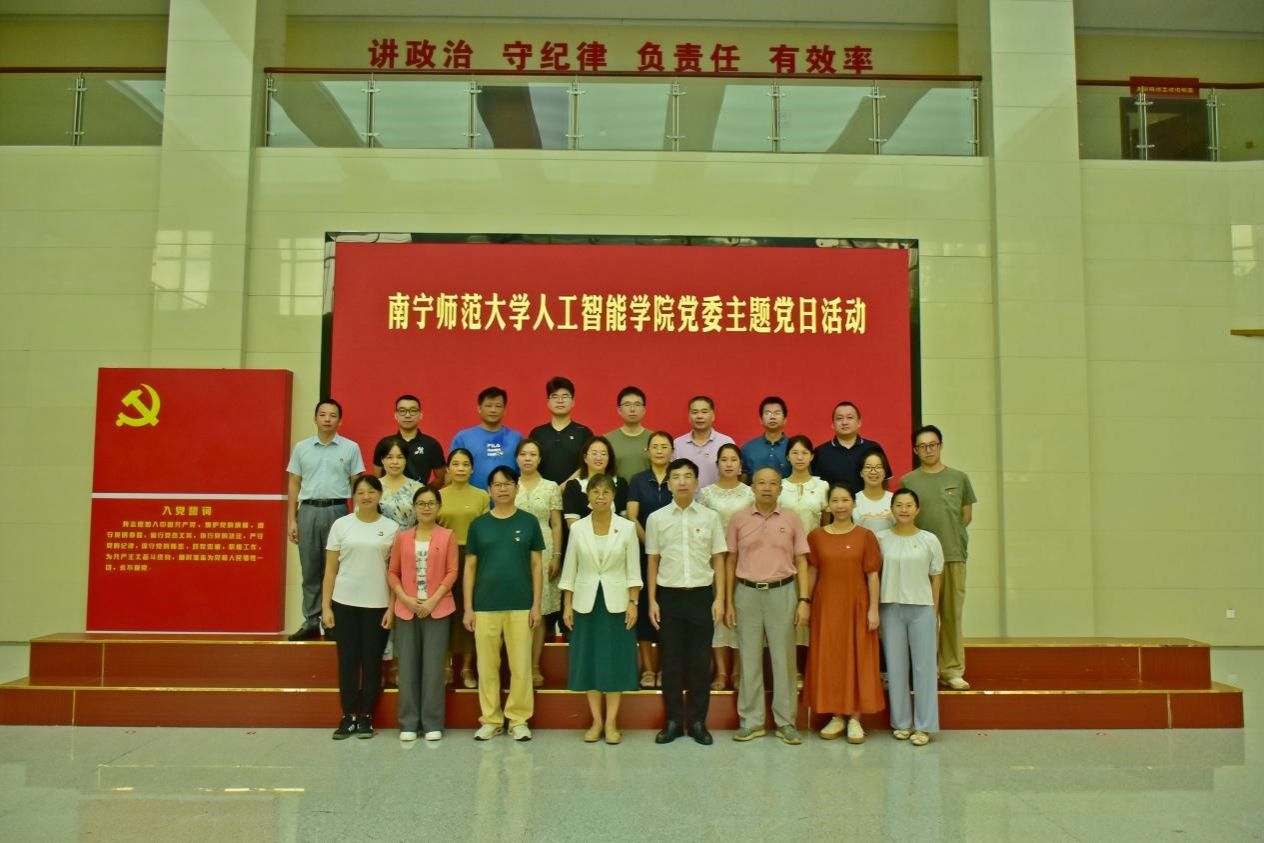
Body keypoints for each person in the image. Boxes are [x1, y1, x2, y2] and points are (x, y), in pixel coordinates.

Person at [725, 467, 810, 746]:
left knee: (783, 659)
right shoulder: (739, 519)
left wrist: (804, 600)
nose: (766, 488)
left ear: (780, 489)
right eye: (761, 483)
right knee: (749, 658)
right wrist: (728, 600)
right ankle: (751, 722)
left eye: (773, 483)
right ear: (752, 487)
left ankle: (786, 722)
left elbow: (801, 561)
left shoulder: (792, 518)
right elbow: (730, 560)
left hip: (782, 592)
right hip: (746, 593)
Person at [646, 458, 727, 746]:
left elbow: (719, 559)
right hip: (669, 596)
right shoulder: (656, 519)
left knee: (700, 662)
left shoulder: (710, 517)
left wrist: (720, 598)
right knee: (671, 661)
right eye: (676, 476)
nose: (682, 481)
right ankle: (672, 722)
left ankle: (697, 722)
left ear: (696, 482)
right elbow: (653, 561)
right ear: (668, 483)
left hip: (701, 596)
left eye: (688, 476)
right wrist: (652, 600)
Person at [559, 473, 642, 745]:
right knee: (589, 663)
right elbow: (570, 569)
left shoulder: (626, 528)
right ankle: (596, 721)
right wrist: (567, 605)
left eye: (606, 492)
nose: (601, 497)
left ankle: (611, 722)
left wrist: (633, 602)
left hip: (617, 604)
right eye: (596, 492)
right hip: (585, 603)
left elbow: (633, 570)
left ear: (614, 496)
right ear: (588, 496)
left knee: (615, 662)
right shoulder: (578, 529)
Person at [463, 466, 544, 742]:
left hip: (521, 605)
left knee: (521, 666)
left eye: (508, 483)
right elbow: (470, 567)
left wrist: (536, 605)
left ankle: (518, 720)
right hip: (485, 606)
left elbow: (536, 565)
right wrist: (468, 608)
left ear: (516, 488)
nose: (502, 488)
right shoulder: (479, 525)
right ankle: (491, 719)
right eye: (497, 485)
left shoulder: (529, 522)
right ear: (489, 490)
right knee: (487, 667)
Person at [803, 482, 884, 744]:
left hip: (857, 606)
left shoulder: (865, 536)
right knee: (831, 658)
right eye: (835, 501)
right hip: (826, 606)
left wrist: (873, 609)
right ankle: (837, 715)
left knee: (857, 658)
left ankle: (855, 718)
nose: (840, 506)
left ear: (854, 504)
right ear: (828, 505)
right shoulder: (816, 537)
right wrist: (806, 602)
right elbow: (812, 571)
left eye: (845, 500)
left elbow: (872, 575)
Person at [900, 425, 976, 691]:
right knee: (923, 617)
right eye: (922, 446)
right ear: (915, 450)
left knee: (952, 615)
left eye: (932, 445)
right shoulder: (908, 481)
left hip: (953, 555)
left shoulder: (960, 478)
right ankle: (926, 668)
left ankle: (952, 670)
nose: (928, 450)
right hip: (919, 562)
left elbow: (966, 516)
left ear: (941, 446)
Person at [322, 475, 398, 739]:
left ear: (379, 495)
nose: (366, 496)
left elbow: (395, 573)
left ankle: (366, 716)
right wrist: (326, 607)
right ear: (353, 496)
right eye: (361, 492)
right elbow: (330, 571)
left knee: (372, 661)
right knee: (348, 661)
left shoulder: (391, 528)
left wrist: (391, 608)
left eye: (371, 492)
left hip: (378, 604)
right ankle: (348, 716)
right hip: (344, 603)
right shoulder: (341, 525)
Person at [286, 398, 366, 641]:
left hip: (337, 511)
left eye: (333, 415)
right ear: (315, 418)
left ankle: (332, 620)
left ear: (340, 421)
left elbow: (357, 484)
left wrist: (357, 519)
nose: (327, 419)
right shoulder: (302, 448)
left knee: (336, 569)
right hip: (308, 510)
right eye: (322, 414)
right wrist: (292, 520)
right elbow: (294, 483)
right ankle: (311, 621)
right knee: (310, 568)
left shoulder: (350, 448)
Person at [387, 485, 457, 742]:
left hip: (438, 609)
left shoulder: (447, 536)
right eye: (421, 503)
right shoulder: (403, 537)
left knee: (433, 669)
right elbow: (393, 572)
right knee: (407, 668)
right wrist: (405, 599)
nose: (426, 508)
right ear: (414, 508)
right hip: (407, 610)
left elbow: (452, 572)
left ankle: (432, 723)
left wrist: (432, 600)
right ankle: (408, 722)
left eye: (431, 503)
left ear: (439, 508)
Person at [876, 488, 944, 747]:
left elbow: (936, 577)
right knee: (896, 667)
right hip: (890, 608)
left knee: (924, 668)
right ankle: (902, 723)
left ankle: (924, 726)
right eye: (899, 505)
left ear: (917, 509)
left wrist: (933, 611)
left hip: (922, 608)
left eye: (909, 505)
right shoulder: (880, 539)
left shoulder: (929, 540)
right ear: (891, 509)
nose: (903, 509)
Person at [696, 443, 753, 691]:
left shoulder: (750, 494)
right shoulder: (706, 494)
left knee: (741, 613)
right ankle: (720, 672)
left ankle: (738, 671)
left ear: (740, 464)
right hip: (715, 560)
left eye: (733, 460)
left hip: (746, 560)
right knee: (717, 614)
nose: (729, 464)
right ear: (717, 464)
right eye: (724, 460)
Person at [625, 430, 675, 688]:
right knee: (645, 609)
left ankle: (667, 667)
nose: (659, 450)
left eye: (664, 446)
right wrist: (651, 546)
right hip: (644, 554)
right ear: (647, 451)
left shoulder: (678, 478)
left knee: (669, 613)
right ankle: (647, 668)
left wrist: (666, 549)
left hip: (674, 555)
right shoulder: (638, 480)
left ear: (672, 451)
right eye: (654, 446)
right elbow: (631, 516)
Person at [437, 448, 489, 689]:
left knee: (470, 610)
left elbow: (485, 529)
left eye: (465, 464)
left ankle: (467, 667)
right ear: (448, 468)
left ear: (472, 469)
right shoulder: (438, 495)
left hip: (472, 556)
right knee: (445, 610)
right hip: (442, 555)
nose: (460, 468)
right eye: (455, 464)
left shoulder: (481, 496)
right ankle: (446, 664)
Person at [514, 438, 564, 687]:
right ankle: (518, 666)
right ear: (516, 458)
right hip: (514, 549)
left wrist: (557, 555)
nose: (528, 458)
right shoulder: (510, 484)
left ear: (540, 459)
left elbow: (556, 523)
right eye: (523, 454)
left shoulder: (551, 486)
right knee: (517, 610)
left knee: (540, 610)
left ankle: (534, 666)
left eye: (533, 454)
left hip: (544, 550)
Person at [449, 386, 524, 490]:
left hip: (509, 497)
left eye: (498, 406)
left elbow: (524, 472)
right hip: (472, 498)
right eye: (488, 406)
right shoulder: (463, 438)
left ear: (504, 410)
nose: (493, 410)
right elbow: (452, 473)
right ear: (479, 408)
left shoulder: (516, 438)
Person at [528, 376, 593, 484]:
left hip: (575, 491)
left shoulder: (584, 433)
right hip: (543, 493)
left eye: (565, 396)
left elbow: (589, 465)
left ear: (573, 401)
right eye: (555, 396)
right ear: (548, 402)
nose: (560, 401)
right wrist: (548, 489)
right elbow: (530, 465)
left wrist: (563, 487)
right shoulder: (537, 433)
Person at [374, 394, 445, 486]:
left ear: (420, 415)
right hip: (388, 494)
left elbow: (440, 478)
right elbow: (377, 479)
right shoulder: (384, 444)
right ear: (396, 415)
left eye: (413, 411)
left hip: (419, 494)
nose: (407, 415)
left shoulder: (431, 444)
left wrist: (424, 492)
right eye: (402, 411)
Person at [813, 401, 884, 494]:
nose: (844, 422)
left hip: (867, 502)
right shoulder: (821, 452)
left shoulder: (873, 448)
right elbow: (815, 485)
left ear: (859, 422)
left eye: (850, 417)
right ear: (833, 424)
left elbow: (884, 481)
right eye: (839, 418)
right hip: (834, 503)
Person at [672, 396, 735, 489]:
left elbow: (735, 476)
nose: (699, 416)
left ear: (713, 416)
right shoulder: (678, 444)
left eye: (704, 412)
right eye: (695, 412)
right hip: (687, 498)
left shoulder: (726, 442)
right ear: (689, 416)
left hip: (717, 497)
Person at [562, 436, 629, 524]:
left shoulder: (620, 484)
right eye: (594, 453)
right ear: (585, 458)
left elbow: (625, 519)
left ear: (609, 458)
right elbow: (572, 524)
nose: (599, 458)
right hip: (583, 533)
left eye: (603, 454)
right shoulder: (573, 486)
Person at [605, 386, 652, 485]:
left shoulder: (655, 439)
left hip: (648, 493)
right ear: (619, 410)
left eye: (637, 404)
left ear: (644, 410)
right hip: (616, 493)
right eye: (627, 404)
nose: (632, 409)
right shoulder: (606, 440)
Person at [375, 437, 423, 529]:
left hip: (410, 537)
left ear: (406, 460)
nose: (395, 462)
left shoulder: (418, 488)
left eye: (400, 457)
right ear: (382, 460)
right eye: (389, 457)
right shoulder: (373, 487)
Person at [739, 396, 791, 479]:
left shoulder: (793, 447)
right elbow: (742, 481)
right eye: (768, 413)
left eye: (777, 413)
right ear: (761, 420)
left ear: (785, 419)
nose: (772, 417)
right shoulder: (748, 448)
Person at [853, 449, 895, 533]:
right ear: (861, 473)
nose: (873, 472)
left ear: (885, 473)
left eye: (878, 467)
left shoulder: (895, 499)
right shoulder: (853, 500)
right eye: (868, 467)